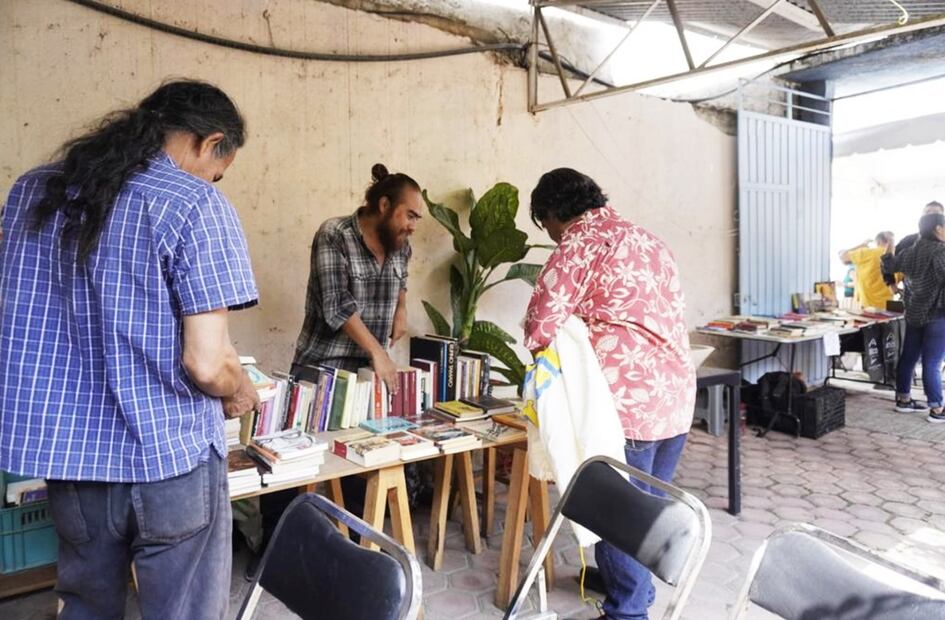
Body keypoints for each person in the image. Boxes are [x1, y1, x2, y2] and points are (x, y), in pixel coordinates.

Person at [0, 80, 258, 618]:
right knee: (182, 610)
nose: (213, 181)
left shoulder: (34, 190)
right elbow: (207, 363)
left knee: (87, 605)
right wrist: (240, 389)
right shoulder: (195, 204)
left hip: (74, 463)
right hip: (170, 461)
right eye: (218, 169)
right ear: (209, 143)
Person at [524, 168, 696, 620]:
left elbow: (540, 323)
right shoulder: (647, 239)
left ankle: (626, 612)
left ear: (553, 213)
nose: (553, 236)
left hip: (626, 405)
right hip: (675, 395)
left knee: (616, 517)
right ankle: (637, 594)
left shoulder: (580, 242)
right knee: (646, 510)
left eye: (547, 225)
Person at [292, 163, 422, 388]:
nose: (413, 227)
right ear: (384, 205)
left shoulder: (401, 244)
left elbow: (402, 278)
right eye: (410, 216)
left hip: (370, 372)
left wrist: (401, 308)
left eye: (417, 219)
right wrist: (379, 353)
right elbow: (338, 305)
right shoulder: (334, 234)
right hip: (324, 370)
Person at [891, 212, 945, 422]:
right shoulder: (941, 251)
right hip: (937, 313)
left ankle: (903, 399)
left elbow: (889, 266)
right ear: (938, 229)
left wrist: (889, 250)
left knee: (909, 356)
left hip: (914, 312)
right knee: (932, 362)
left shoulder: (911, 250)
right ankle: (937, 409)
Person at [839, 231, 896, 309]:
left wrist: (861, 245)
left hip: (866, 306)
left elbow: (843, 256)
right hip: (888, 306)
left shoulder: (868, 253)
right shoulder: (896, 257)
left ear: (878, 241)